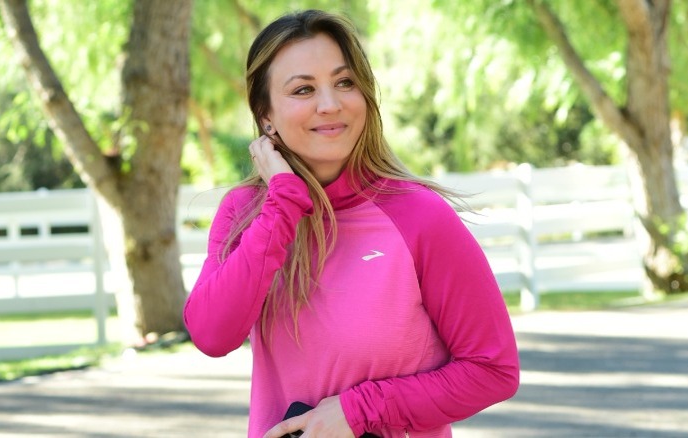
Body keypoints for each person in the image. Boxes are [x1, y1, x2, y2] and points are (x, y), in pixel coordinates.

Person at [183, 9, 519, 438]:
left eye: (345, 82)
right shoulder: (246, 212)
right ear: (266, 116)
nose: (330, 104)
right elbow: (212, 334)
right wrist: (283, 204)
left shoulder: (419, 215)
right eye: (303, 89)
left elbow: (493, 369)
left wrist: (361, 410)